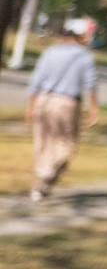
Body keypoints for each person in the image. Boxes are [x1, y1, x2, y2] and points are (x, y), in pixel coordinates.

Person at [24, 22, 99, 201]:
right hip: (67, 103)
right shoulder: (85, 56)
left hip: (44, 100)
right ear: (80, 36)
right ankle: (48, 176)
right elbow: (90, 84)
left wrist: (31, 106)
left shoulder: (50, 52)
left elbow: (36, 81)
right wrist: (94, 109)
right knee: (67, 145)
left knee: (43, 141)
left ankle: (43, 178)